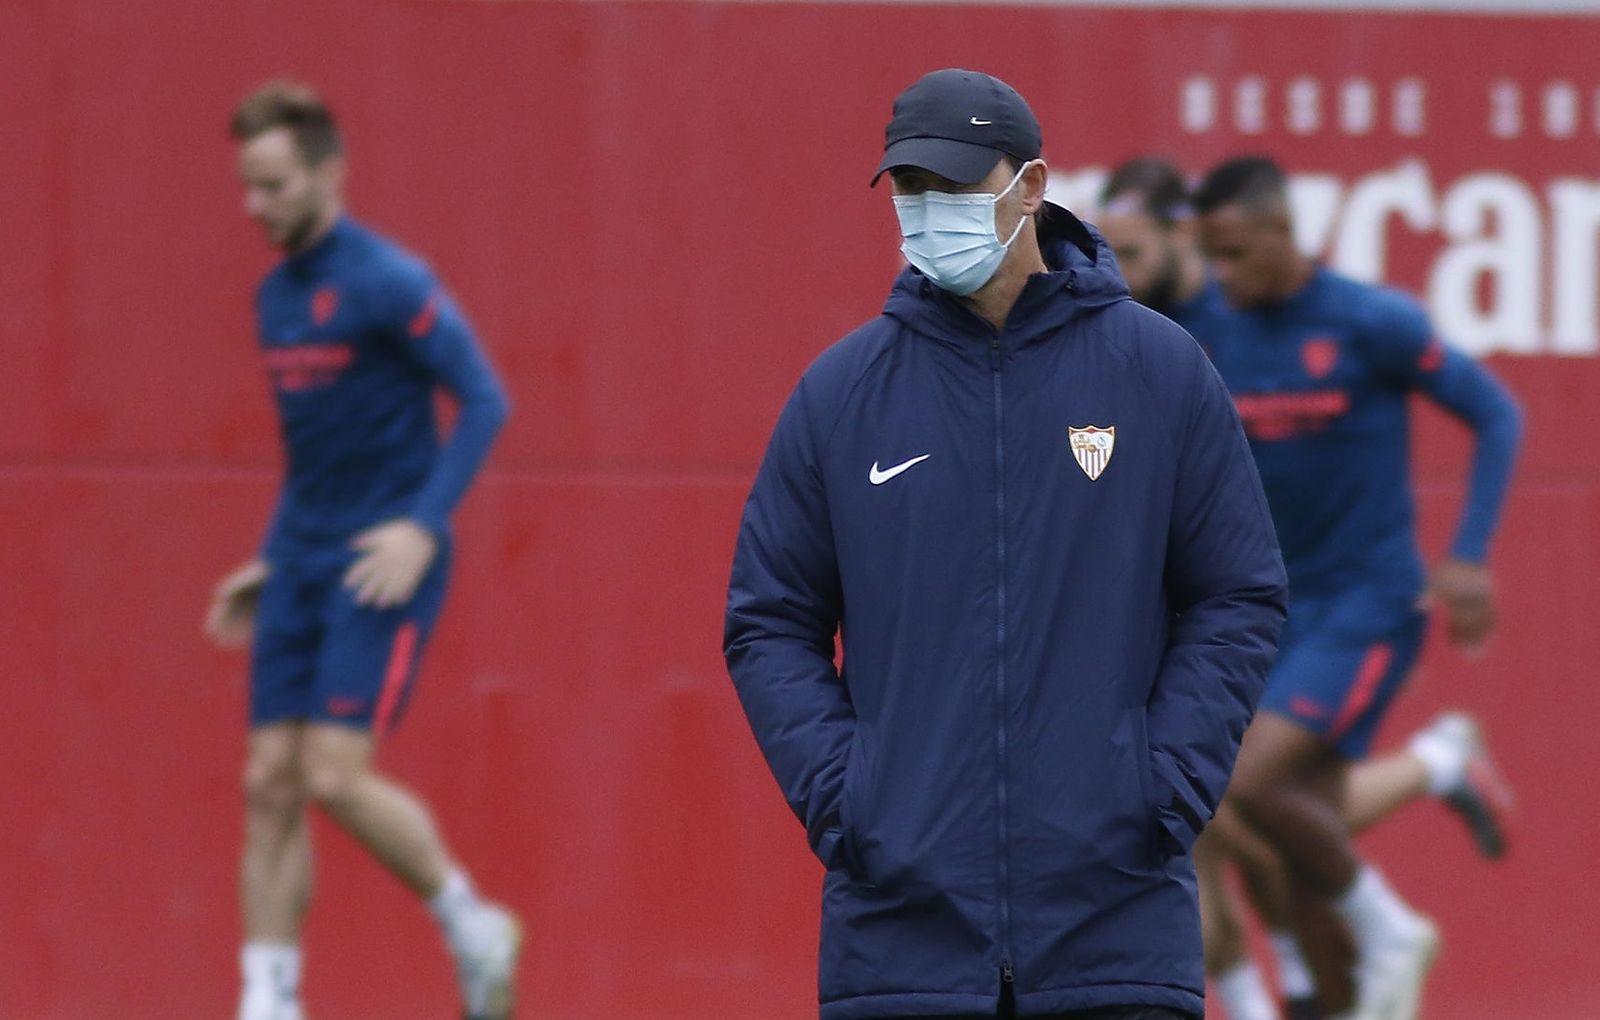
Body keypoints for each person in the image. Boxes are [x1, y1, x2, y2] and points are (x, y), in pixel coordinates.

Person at [724, 68, 1288, 1020]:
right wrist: (850, 800)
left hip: (1115, 932)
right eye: (911, 187)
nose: (928, 208)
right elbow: (769, 619)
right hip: (901, 943)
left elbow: (1237, 593)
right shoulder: (842, 394)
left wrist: (1161, 789)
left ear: (1031, 188)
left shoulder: (1160, 371)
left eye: (955, 184)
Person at [1097, 158, 1518, 1020]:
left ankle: (1391, 930)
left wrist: (1470, 553)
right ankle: (1336, 985)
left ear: (1283, 234)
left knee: (1247, 787)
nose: (1223, 274)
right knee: (1281, 833)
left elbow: (1497, 413)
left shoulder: (1371, 322)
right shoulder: (1205, 332)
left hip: (1367, 604)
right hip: (1267, 615)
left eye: (1236, 253)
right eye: (1211, 254)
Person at [204, 81, 519, 1020]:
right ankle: (268, 1000)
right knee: (267, 781)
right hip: (299, 559)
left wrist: (424, 526)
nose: (255, 205)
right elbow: (309, 458)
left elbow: (484, 400)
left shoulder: (389, 281)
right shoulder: (274, 298)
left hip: (381, 561)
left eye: (273, 184)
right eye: (247, 186)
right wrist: (270, 558)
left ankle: (471, 924)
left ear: (327, 173)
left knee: (332, 775)